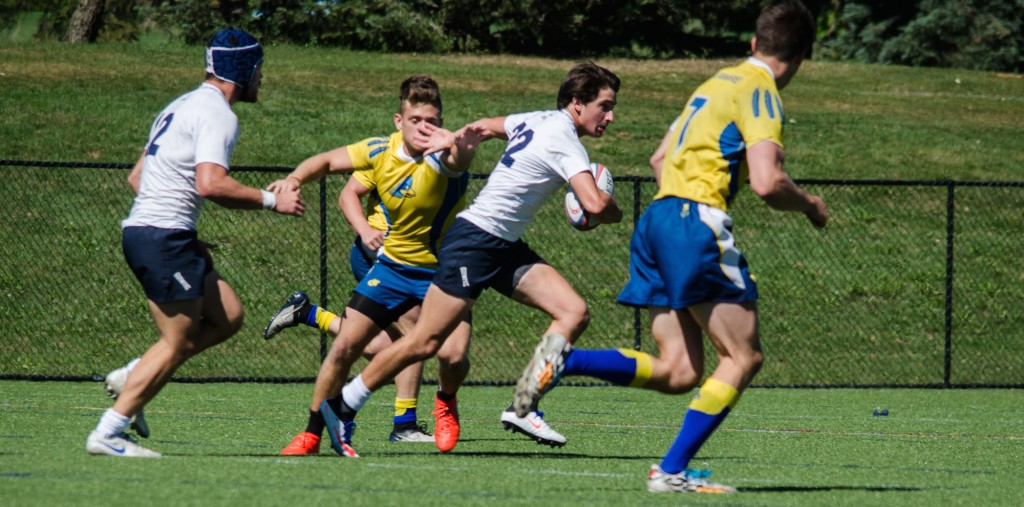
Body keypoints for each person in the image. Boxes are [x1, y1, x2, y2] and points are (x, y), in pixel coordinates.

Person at [516, 0, 827, 494]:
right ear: (803, 54)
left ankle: (565, 360)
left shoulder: (717, 82)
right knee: (743, 358)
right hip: (691, 222)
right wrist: (810, 204)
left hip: (658, 219)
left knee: (680, 371)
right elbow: (768, 183)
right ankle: (671, 471)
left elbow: (661, 158)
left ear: (753, 44)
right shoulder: (761, 90)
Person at [321, 62, 624, 457]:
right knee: (423, 341)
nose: (611, 116)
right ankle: (342, 406)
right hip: (475, 243)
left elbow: (485, 126)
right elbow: (594, 202)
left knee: (573, 311)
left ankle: (523, 405)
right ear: (578, 103)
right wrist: (612, 211)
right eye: (605, 105)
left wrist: (456, 137)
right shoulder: (564, 139)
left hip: (502, 244)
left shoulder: (538, 119)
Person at [261, 75, 566, 456]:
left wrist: (458, 144)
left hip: (446, 270)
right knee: (344, 349)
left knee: (452, 356)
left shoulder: (444, 155)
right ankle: (310, 434)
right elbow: (325, 161)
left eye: (433, 121)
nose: (426, 128)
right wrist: (293, 179)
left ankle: (445, 402)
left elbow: (460, 157)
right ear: (398, 121)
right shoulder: (378, 151)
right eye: (418, 119)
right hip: (392, 269)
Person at [86, 29, 305, 458]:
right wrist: (270, 200)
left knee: (228, 316)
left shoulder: (181, 104)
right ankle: (110, 432)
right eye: (259, 69)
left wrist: (179, 229)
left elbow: (138, 177)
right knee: (178, 341)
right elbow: (211, 184)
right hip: (162, 236)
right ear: (242, 69)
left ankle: (132, 375)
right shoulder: (219, 114)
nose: (261, 78)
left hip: (159, 233)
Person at [264, 178, 435, 448]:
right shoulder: (383, 153)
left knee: (383, 347)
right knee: (415, 334)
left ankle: (308, 313)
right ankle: (404, 424)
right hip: (381, 255)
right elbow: (348, 194)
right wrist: (367, 231)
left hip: (412, 258)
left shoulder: (438, 160)